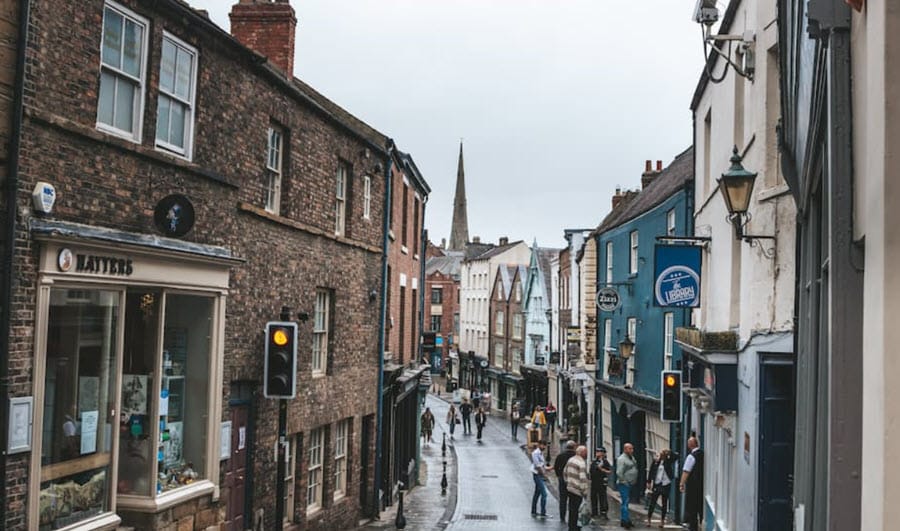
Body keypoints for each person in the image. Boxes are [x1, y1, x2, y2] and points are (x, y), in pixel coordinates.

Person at [646, 449, 675, 528]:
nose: (660, 456)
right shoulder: (656, 462)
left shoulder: (668, 462)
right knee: (653, 502)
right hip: (657, 484)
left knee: (664, 503)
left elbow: (675, 457)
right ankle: (649, 519)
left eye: (662, 455)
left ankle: (662, 521)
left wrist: (670, 452)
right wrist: (649, 482)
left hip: (666, 484)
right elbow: (651, 471)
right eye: (660, 454)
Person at [680, 437, 704, 531]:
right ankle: (701, 523)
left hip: (692, 486)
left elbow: (686, 471)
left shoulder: (691, 456)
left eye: (688, 443)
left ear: (690, 445)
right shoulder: (702, 454)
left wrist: (681, 484)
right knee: (700, 506)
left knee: (692, 508)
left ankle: (693, 527)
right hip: (701, 485)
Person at [564, 445, 590, 531]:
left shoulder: (571, 460)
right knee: (576, 509)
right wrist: (585, 492)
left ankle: (571, 526)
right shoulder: (581, 463)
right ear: (582, 453)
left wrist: (568, 482)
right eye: (585, 452)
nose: (587, 454)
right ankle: (574, 527)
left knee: (571, 509)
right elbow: (583, 479)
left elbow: (565, 472)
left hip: (570, 488)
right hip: (577, 490)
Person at [615, 442, 638, 529]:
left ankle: (626, 519)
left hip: (630, 483)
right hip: (624, 484)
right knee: (625, 502)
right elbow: (619, 472)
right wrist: (624, 481)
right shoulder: (622, 459)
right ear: (625, 449)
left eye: (632, 448)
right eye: (630, 449)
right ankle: (625, 521)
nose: (632, 450)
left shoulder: (631, 457)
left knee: (626, 502)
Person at [554, 440, 577, 523]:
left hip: (562, 480)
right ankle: (572, 516)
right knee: (572, 499)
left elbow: (556, 467)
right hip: (573, 480)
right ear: (574, 447)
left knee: (563, 499)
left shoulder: (560, 456)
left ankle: (562, 516)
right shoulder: (575, 457)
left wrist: (559, 475)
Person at [530, 440, 553, 518]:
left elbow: (542, 465)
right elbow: (538, 466)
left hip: (539, 474)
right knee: (544, 494)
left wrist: (549, 468)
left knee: (537, 493)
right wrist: (544, 475)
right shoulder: (535, 453)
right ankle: (543, 513)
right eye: (542, 445)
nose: (544, 447)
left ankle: (533, 511)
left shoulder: (540, 453)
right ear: (539, 445)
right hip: (537, 475)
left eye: (545, 445)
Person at [589, 447, 612, 520]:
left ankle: (603, 512)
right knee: (593, 497)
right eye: (597, 452)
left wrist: (602, 469)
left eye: (599, 452)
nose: (597, 453)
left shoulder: (605, 462)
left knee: (603, 497)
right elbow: (591, 470)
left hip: (602, 482)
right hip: (594, 481)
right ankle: (594, 512)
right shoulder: (594, 461)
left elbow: (609, 471)